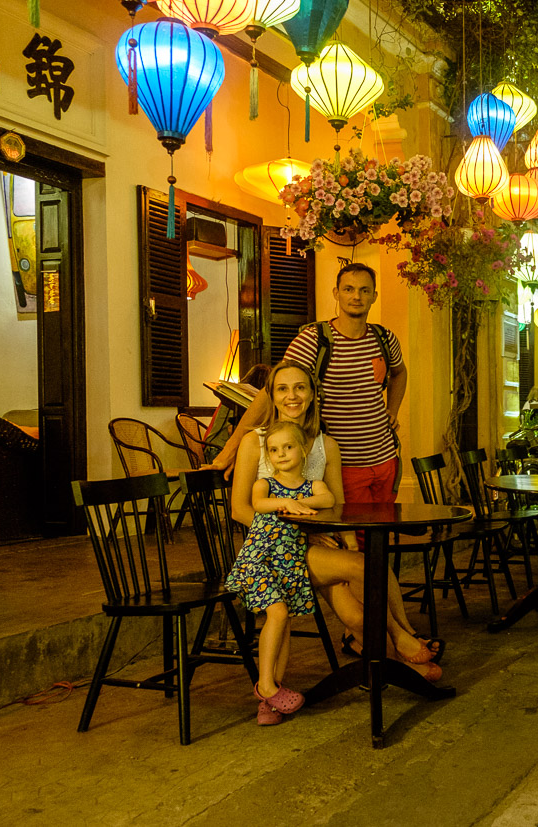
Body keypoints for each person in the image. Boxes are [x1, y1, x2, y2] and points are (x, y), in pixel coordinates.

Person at [229, 361, 443, 677]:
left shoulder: (326, 444)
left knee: (358, 606)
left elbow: (338, 506)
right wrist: (299, 533)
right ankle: (403, 639)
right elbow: (240, 510)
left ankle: (394, 661)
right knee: (363, 567)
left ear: (314, 394)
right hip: (271, 552)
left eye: (300, 388)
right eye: (283, 389)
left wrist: (345, 544)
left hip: (317, 547)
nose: (292, 396)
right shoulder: (254, 441)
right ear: (272, 396)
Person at [216, 262, 409, 512]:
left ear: (374, 295)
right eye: (348, 289)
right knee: (356, 538)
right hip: (343, 462)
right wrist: (231, 448)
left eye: (364, 290)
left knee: (383, 532)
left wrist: (392, 410)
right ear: (336, 294)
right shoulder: (313, 341)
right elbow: (272, 391)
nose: (356, 296)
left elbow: (400, 373)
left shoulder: (385, 338)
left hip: (385, 459)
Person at [225, 421, 335, 724]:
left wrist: (296, 501)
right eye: (273, 450)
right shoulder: (266, 485)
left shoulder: (313, 485)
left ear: (303, 450)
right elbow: (258, 504)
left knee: (283, 622)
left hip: (289, 564)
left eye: (287, 447)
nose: (281, 454)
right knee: (278, 614)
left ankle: (269, 705)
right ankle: (266, 686)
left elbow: (328, 500)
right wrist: (285, 503)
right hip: (259, 561)